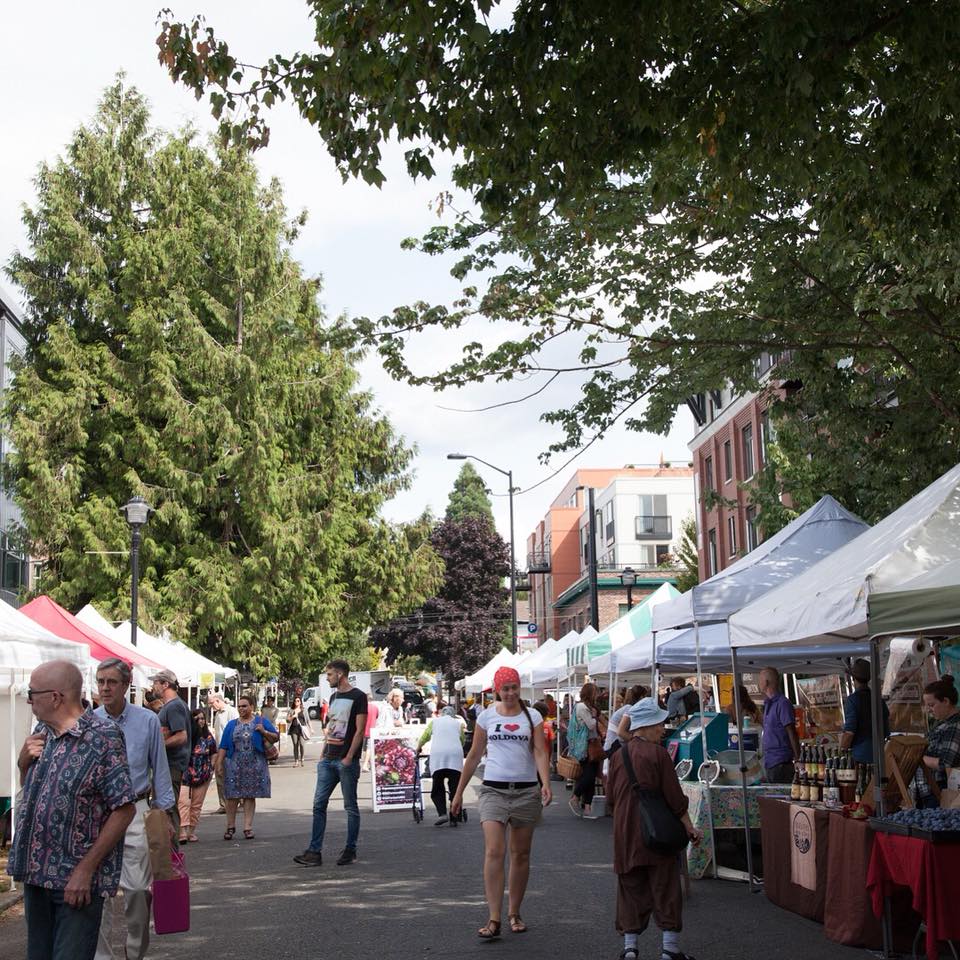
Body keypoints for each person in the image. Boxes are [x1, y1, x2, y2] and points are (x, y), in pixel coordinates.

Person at [8, 660, 136, 960]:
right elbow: (33, 796)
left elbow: (124, 809)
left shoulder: (103, 737)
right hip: (36, 876)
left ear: (55, 697)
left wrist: (85, 870)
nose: (29, 699)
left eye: (32, 693)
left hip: (74, 883)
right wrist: (23, 764)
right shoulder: (43, 732)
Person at [451, 666, 552, 939]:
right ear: (497, 690)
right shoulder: (486, 717)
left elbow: (540, 752)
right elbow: (473, 756)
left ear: (519, 688)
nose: (510, 693)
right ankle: (494, 917)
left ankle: (514, 912)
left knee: (520, 854)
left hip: (526, 791)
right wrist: (459, 792)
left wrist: (545, 783)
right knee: (495, 851)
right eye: (505, 689)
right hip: (493, 790)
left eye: (514, 688)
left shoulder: (532, 716)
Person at [92, 658, 175, 960]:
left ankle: (134, 951)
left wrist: (164, 813)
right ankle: (101, 956)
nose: (104, 688)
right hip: (99, 815)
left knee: (139, 890)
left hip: (137, 810)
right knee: (96, 893)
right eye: (100, 681)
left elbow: (160, 768)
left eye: (111, 682)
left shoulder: (147, 721)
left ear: (126, 686)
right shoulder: (91, 722)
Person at [608, 698, 702, 960]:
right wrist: (690, 828)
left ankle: (630, 948)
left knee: (630, 887)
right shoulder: (658, 754)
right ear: (647, 725)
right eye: (660, 723)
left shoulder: (618, 755)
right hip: (656, 830)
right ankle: (669, 949)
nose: (663, 729)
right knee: (665, 886)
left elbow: (611, 797)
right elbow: (675, 800)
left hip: (626, 829)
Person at [294, 659, 368, 867]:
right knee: (319, 804)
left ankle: (350, 849)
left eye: (329, 675)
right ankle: (314, 851)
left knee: (350, 806)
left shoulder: (358, 697)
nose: (327, 679)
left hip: (345, 760)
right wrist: (323, 752)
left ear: (340, 675)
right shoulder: (334, 696)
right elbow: (332, 726)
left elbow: (360, 730)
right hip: (329, 759)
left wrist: (349, 757)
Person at [216, 693, 278, 840]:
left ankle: (247, 827)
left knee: (250, 795)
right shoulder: (232, 724)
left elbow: (275, 737)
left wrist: (264, 731)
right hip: (234, 764)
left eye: (244, 706)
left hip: (255, 763)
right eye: (239, 706)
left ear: (252, 707)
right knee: (232, 796)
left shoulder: (260, 721)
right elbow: (224, 745)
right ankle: (230, 826)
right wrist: (218, 763)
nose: (241, 709)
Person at [151, 670, 192, 846]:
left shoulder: (174, 706)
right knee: (166, 807)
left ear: (165, 684)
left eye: (156, 683)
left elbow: (181, 736)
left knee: (168, 808)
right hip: (170, 764)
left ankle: (171, 853)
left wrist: (156, 747)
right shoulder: (173, 706)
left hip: (171, 764)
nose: (153, 687)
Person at [913, 676, 960, 809]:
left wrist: (918, 757)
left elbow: (945, 764)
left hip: (941, 793)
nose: (928, 710)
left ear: (945, 701)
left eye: (931, 705)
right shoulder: (943, 724)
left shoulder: (954, 726)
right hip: (931, 792)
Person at [418, 706, 467, 825]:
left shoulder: (434, 722)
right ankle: (454, 816)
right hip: (455, 756)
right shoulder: (457, 724)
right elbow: (462, 740)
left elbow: (425, 736)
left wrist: (418, 747)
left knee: (438, 785)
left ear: (441, 714)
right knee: (455, 787)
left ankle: (442, 814)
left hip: (438, 756)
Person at [177, 710, 218, 843]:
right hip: (185, 774)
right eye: (197, 719)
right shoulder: (185, 736)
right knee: (183, 803)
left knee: (196, 805)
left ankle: (191, 831)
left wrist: (211, 767)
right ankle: (182, 830)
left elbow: (214, 752)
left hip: (202, 774)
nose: (201, 721)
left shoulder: (208, 737)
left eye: (202, 719)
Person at [840, 659, 890, 765]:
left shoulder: (852, 700)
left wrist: (841, 752)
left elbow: (849, 733)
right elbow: (886, 730)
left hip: (860, 757)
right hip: (881, 754)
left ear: (854, 679)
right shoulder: (879, 700)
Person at [568, 682, 604, 818]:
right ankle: (575, 796)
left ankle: (588, 807)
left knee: (591, 775)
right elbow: (590, 725)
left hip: (591, 744)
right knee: (588, 775)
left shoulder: (586, 706)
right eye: (595, 692)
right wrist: (594, 716)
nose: (598, 695)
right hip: (586, 745)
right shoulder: (583, 707)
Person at [759, 667, 800, 783]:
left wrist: (798, 759)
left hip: (781, 762)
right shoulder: (768, 704)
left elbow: (791, 731)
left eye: (760, 680)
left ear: (766, 682)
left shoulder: (783, 703)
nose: (759, 683)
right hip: (770, 761)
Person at [208, 692, 238, 813]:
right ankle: (223, 804)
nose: (211, 706)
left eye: (212, 703)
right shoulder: (217, 714)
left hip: (230, 750)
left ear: (218, 701)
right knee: (220, 775)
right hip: (219, 749)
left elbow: (235, 730)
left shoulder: (231, 712)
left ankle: (236, 801)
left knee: (232, 776)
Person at [609, 685, 649, 755]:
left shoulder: (629, 708)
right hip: (614, 747)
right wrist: (637, 741)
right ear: (641, 697)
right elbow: (621, 732)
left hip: (615, 745)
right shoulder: (630, 709)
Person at [287, 696, 313, 767]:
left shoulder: (304, 710)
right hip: (293, 729)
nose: (296, 702)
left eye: (298, 701)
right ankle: (296, 761)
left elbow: (308, 720)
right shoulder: (291, 710)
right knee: (295, 745)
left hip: (302, 729)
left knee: (302, 744)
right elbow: (287, 720)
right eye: (295, 701)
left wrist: (311, 729)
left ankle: (302, 759)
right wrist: (293, 716)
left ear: (300, 702)